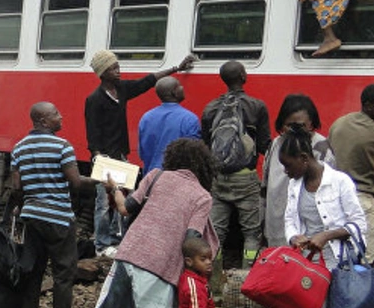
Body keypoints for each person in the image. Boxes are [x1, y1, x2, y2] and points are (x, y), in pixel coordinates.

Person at [82, 138, 219, 308]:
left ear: (173, 159)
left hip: (129, 255)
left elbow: (125, 207)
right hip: (163, 268)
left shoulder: (156, 176)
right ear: (203, 169)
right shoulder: (202, 197)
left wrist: (114, 189)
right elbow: (192, 238)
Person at [261, 126, 366, 308]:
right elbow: (290, 221)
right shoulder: (296, 185)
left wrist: (325, 235)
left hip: (333, 264)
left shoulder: (340, 182)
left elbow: (358, 224)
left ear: (305, 158)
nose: (285, 171)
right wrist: (295, 235)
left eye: (288, 165)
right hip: (306, 265)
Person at [84, 50, 195, 255]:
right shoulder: (95, 99)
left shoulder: (121, 89)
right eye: (112, 68)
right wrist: (97, 156)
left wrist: (177, 68)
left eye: (117, 66)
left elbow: (147, 82)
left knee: (121, 199)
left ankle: (117, 240)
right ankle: (101, 244)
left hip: (120, 155)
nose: (118, 71)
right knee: (103, 203)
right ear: (102, 73)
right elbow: (92, 131)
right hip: (105, 157)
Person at [10, 102, 95, 308]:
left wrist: (19, 209)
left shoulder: (19, 148)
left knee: (33, 272)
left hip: (31, 217)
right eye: (56, 114)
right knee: (63, 274)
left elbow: (17, 187)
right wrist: (102, 181)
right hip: (58, 219)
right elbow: (76, 182)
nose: (62, 117)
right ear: (44, 121)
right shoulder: (62, 147)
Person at [201, 60, 270, 269]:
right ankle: (247, 280)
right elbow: (263, 145)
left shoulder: (211, 108)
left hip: (219, 179)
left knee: (216, 234)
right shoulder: (256, 106)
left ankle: (215, 285)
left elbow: (206, 145)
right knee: (251, 233)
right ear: (242, 76)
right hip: (246, 178)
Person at [329, 84, 374, 268]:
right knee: (373, 258)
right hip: (363, 200)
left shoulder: (339, 123)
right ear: (368, 105)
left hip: (336, 198)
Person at [263, 94, 335, 247]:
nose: (295, 130)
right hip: (277, 225)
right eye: (290, 125)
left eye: (300, 125)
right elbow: (265, 185)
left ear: (311, 123)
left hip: (309, 233)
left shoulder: (321, 147)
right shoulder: (275, 144)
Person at [137, 76, 200, 172]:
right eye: (179, 86)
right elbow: (193, 155)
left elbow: (142, 154)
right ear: (174, 92)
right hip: (178, 181)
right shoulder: (190, 119)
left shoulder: (146, 118)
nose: (182, 87)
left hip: (151, 179)